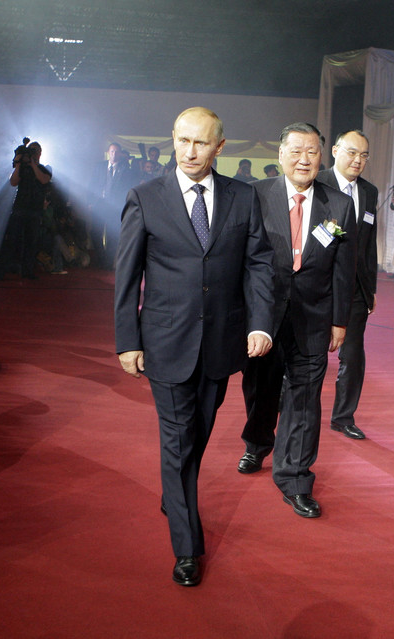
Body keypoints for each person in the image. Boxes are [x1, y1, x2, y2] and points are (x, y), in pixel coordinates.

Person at [114, 107, 275, 587]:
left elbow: (259, 264)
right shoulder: (145, 197)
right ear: (172, 140)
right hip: (165, 340)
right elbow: (128, 275)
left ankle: (174, 488)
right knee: (178, 437)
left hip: (223, 342)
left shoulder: (242, 198)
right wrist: (127, 340)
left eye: (200, 143)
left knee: (197, 432)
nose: (189, 151)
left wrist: (261, 323)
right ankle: (187, 546)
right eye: (182, 140)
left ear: (219, 147)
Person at [237, 122, 356, 519]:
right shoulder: (254, 195)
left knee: (305, 397)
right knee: (261, 386)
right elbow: (240, 260)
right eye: (296, 151)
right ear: (281, 154)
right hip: (263, 313)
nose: (304, 159)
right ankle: (257, 442)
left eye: (312, 152)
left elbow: (343, 267)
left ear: (322, 157)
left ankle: (296, 477)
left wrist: (339, 319)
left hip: (314, 315)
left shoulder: (338, 205)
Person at [317, 130, 377, 440]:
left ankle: (343, 416)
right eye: (352, 152)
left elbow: (369, 244)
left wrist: (372, 287)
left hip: (355, 288)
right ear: (336, 150)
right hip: (318, 284)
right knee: (306, 355)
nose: (358, 160)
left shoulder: (369, 192)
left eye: (364, 155)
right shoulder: (318, 182)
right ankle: (293, 407)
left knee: (353, 355)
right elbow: (316, 234)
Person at [0, 140, 52, 279]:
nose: (32, 152)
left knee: (31, 242)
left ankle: (27, 270)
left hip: (34, 210)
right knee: (12, 240)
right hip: (19, 208)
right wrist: (19, 164)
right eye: (31, 150)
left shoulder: (44, 168)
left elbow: (44, 180)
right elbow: (13, 182)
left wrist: (33, 164)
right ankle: (3, 270)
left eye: (35, 150)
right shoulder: (23, 168)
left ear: (40, 153)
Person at [88, 142, 135, 268]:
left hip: (114, 207)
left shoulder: (125, 170)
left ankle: (108, 263)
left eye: (116, 152)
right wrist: (90, 202)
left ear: (120, 154)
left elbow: (127, 189)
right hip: (99, 204)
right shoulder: (100, 166)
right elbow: (92, 184)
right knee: (95, 232)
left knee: (112, 235)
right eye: (112, 151)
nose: (114, 154)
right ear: (108, 152)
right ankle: (101, 259)